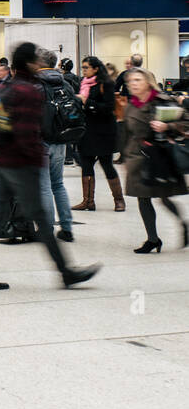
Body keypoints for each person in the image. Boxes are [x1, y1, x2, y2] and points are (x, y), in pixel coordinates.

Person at [0, 42, 101, 291]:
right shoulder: (28, 91)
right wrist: (35, 157)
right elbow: (27, 132)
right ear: (31, 63)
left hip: (1, 161)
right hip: (21, 165)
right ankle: (66, 273)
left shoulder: (3, 87)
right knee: (42, 222)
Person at [122, 67, 189, 254]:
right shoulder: (130, 106)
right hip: (137, 156)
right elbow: (127, 134)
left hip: (158, 155)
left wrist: (167, 126)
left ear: (147, 82)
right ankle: (152, 239)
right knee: (142, 197)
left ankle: (183, 224)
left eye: (137, 80)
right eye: (130, 81)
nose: (132, 84)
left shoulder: (163, 102)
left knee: (163, 196)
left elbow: (185, 122)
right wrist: (125, 157)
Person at [35, 48, 80, 241]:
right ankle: (67, 227)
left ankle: (46, 229)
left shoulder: (35, 84)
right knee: (58, 184)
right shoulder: (65, 82)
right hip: (61, 139)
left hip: (40, 140)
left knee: (44, 186)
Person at [72, 55, 124, 212]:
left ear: (95, 68)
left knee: (107, 165)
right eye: (83, 68)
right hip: (87, 131)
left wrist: (87, 102)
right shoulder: (83, 84)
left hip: (103, 132)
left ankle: (119, 200)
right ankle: (88, 201)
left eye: (86, 67)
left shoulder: (106, 83)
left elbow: (108, 107)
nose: (84, 70)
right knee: (86, 165)